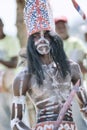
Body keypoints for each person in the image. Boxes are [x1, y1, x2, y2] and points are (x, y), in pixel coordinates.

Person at [11, 1, 87, 130]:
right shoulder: (23, 77)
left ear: (54, 38)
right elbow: (15, 122)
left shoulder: (71, 68)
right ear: (30, 42)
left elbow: (85, 107)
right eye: (36, 36)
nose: (42, 39)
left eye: (46, 34)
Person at [55, 16, 87, 130]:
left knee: (81, 118)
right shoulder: (54, 47)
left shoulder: (76, 42)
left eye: (62, 26)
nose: (61, 29)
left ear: (67, 27)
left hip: (78, 87)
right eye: (58, 27)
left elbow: (81, 64)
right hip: (62, 90)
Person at [0, 18, 20, 130]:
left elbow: (14, 63)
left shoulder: (11, 40)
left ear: (2, 25)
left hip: (10, 84)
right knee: (3, 119)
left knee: (16, 115)